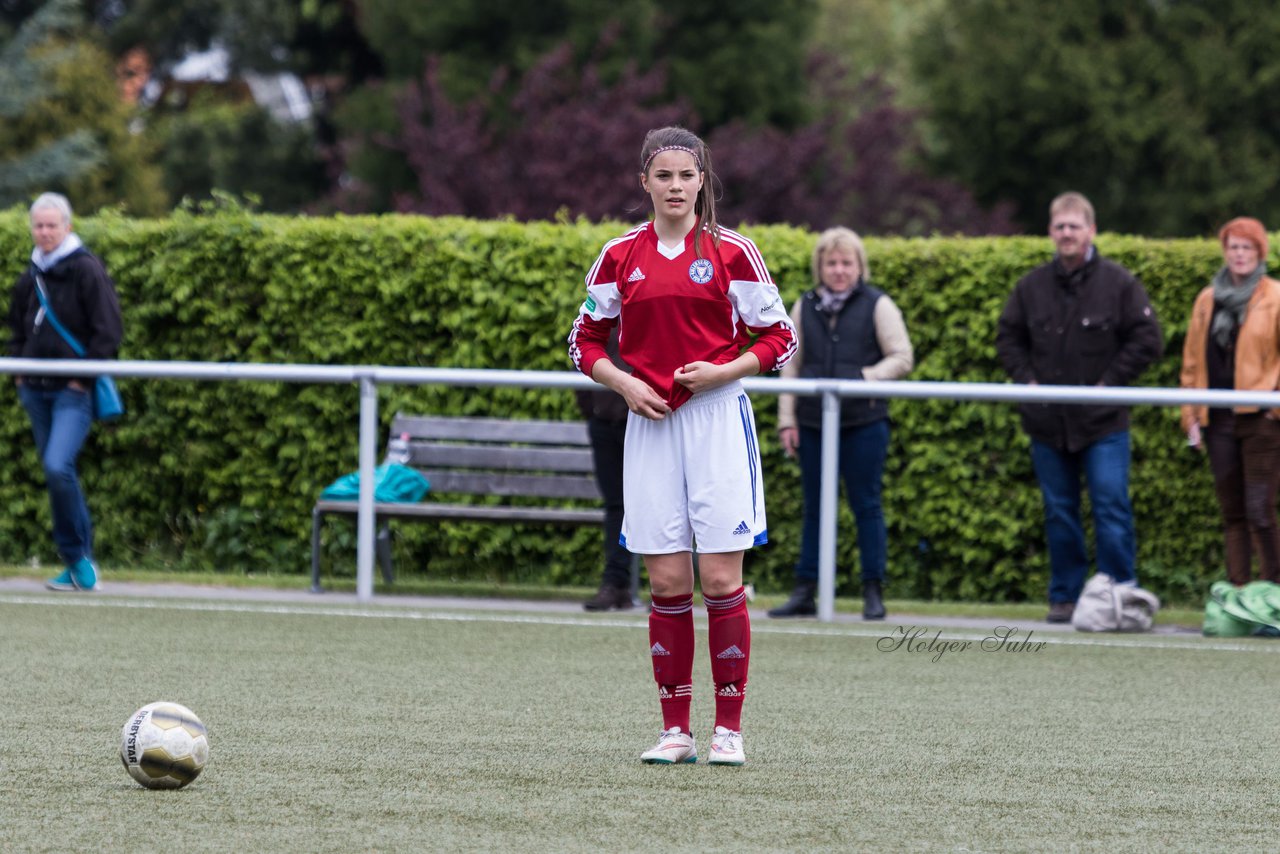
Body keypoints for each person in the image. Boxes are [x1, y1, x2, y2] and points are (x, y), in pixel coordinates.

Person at [568, 126, 795, 766]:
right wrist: (621, 381)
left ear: (703, 182)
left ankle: (728, 729)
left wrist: (725, 371)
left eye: (685, 176)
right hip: (651, 426)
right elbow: (583, 339)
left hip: (719, 420)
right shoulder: (619, 256)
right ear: (645, 181)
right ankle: (675, 730)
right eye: (662, 175)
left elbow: (781, 337)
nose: (674, 186)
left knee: (721, 578)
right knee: (668, 584)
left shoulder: (733, 252)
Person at [995, 191, 1162, 623]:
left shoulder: (1120, 283)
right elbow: (1008, 338)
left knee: (1110, 505)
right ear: (1051, 232)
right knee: (1059, 512)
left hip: (1103, 421)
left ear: (1091, 230)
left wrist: (1109, 384)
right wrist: (1027, 381)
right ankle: (1065, 597)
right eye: (1060, 226)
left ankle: (1120, 595)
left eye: (1075, 225)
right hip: (1047, 421)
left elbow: (1148, 339)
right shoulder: (1030, 287)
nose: (1067, 233)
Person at [770, 227, 914, 620]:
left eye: (846, 263)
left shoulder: (878, 304)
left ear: (859, 266)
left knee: (866, 505)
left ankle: (872, 590)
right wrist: (787, 420)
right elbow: (791, 365)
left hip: (864, 421)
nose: (838, 270)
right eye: (831, 263)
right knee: (814, 508)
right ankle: (805, 590)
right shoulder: (805, 305)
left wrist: (863, 379)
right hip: (814, 423)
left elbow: (901, 357)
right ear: (820, 266)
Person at [7, 192, 123, 592]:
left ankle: (76, 557)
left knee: (59, 467)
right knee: (59, 473)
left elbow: (109, 330)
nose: (45, 232)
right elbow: (17, 329)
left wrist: (80, 378)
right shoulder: (31, 274)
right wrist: (20, 374)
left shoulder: (86, 269)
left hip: (73, 392)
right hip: (35, 390)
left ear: (67, 227)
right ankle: (78, 561)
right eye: (38, 225)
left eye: (52, 225)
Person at [1180, 217, 1280, 585]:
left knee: (1260, 511)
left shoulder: (1275, 296)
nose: (1239, 255)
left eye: (1247, 247)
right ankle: (1238, 594)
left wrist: (1274, 409)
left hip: (1261, 420)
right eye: (1233, 247)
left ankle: (1273, 595)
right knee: (1233, 513)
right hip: (1218, 419)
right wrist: (1189, 412)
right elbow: (1192, 361)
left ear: (1259, 252)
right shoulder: (1207, 299)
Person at [577, 328, 635, 611]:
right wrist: (594, 412)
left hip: (642, 421)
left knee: (661, 502)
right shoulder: (601, 306)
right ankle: (616, 584)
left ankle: (667, 589)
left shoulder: (651, 302)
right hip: (604, 423)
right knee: (616, 506)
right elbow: (582, 353)